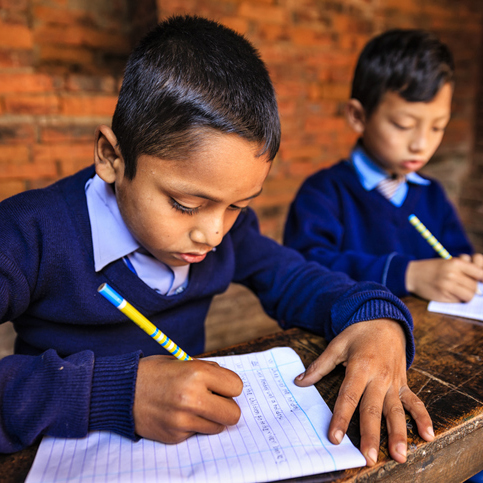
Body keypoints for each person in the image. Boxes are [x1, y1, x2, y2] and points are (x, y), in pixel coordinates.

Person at [0, 16, 433, 467]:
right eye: (186, 204)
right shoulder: (29, 233)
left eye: (238, 205)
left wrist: (376, 318)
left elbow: (296, 277)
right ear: (111, 158)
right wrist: (112, 393)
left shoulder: (228, 234)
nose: (213, 233)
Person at [284, 29, 483, 304]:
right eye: (404, 125)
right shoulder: (323, 193)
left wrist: (466, 269)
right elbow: (301, 275)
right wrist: (408, 275)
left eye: (438, 127)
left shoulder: (433, 196)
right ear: (358, 116)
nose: (421, 144)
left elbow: (454, 255)